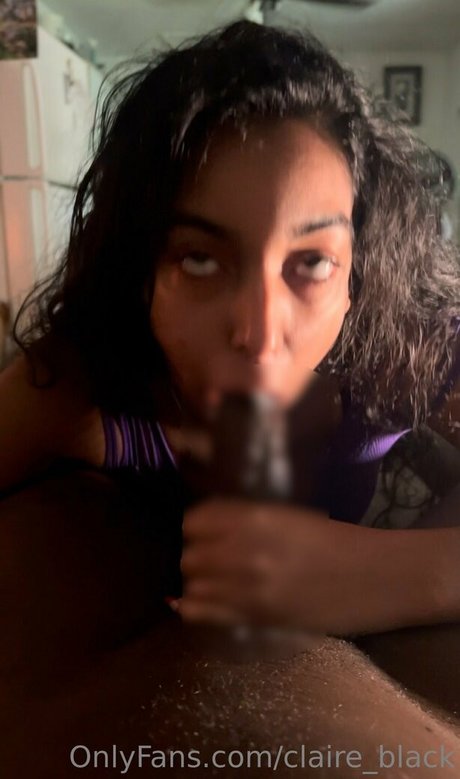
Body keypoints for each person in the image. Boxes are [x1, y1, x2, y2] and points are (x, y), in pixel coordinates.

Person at [0, 20, 460, 774]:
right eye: (200, 258)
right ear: (139, 270)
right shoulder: (87, 381)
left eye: (311, 261)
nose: (260, 330)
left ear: (359, 272)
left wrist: (375, 574)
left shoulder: (406, 344)